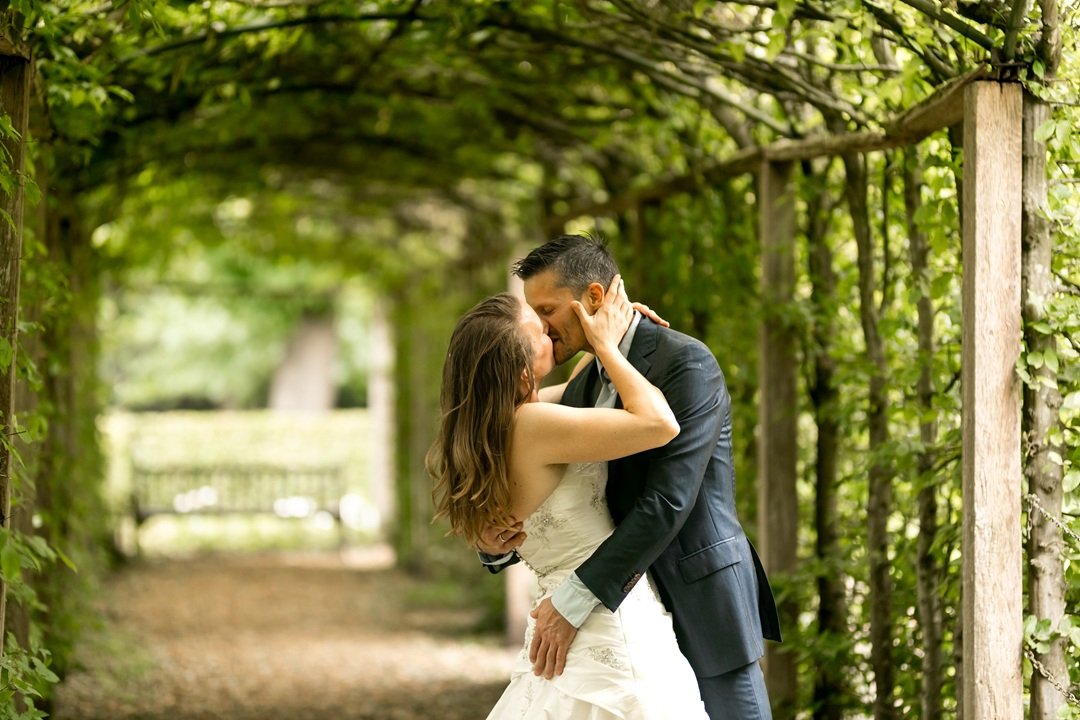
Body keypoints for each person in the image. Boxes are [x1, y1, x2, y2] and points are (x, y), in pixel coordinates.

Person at [476, 235, 782, 720]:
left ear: (594, 299)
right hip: (625, 619)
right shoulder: (584, 376)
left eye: (548, 310)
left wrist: (575, 598)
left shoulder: (685, 362)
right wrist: (494, 541)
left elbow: (668, 503)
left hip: (698, 598)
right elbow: (530, 462)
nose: (541, 327)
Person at [428, 279, 710, 718]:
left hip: (563, 611)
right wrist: (612, 348)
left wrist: (610, 332)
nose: (549, 329)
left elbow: (587, 383)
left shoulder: (496, 423)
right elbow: (659, 423)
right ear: (522, 371)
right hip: (605, 622)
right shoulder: (536, 426)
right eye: (538, 330)